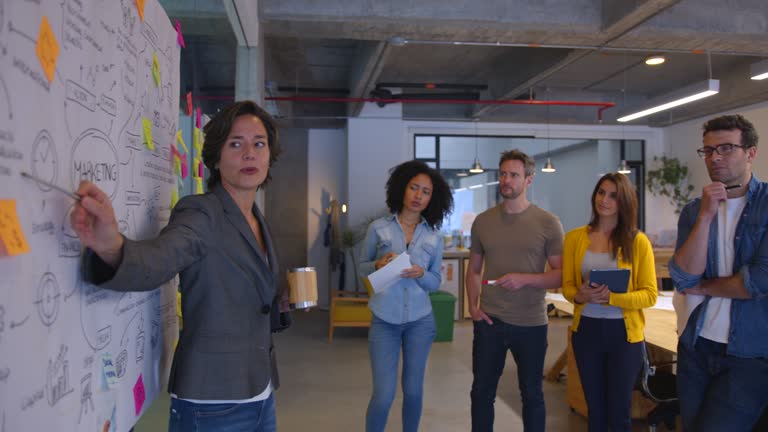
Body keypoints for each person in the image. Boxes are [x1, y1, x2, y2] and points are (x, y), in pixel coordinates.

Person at [71, 100, 284, 432]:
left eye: (259, 143)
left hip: (259, 390)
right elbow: (162, 257)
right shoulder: (201, 212)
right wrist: (112, 246)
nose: (249, 153)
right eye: (235, 143)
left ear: (270, 155)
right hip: (212, 401)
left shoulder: (257, 219)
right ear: (215, 157)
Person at [669, 114, 768, 431]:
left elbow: (758, 281)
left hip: (749, 355)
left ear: (751, 152)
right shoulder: (695, 210)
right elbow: (684, 277)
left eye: (726, 148)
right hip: (696, 347)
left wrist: (704, 287)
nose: (715, 158)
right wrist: (707, 216)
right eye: (708, 150)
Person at [466, 149, 563, 432]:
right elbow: (473, 270)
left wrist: (525, 279)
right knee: (481, 393)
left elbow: (559, 275)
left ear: (529, 180)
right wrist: (473, 307)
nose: (506, 180)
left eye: (514, 175)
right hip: (489, 321)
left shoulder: (548, 223)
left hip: (531, 323)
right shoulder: (483, 222)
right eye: (503, 174)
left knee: (532, 395)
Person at [358, 160, 453, 432]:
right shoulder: (378, 228)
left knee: (413, 391)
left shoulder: (434, 237)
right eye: (414, 188)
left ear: (432, 199)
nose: (418, 196)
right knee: (384, 394)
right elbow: (361, 269)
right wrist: (377, 265)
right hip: (384, 320)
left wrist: (421, 273)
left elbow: (435, 281)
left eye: (425, 192)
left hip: (420, 322)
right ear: (402, 188)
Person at [562, 173, 658, 432]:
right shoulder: (574, 238)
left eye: (613, 195)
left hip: (624, 337)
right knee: (595, 411)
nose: (604, 200)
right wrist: (579, 295)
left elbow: (650, 294)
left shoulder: (637, 241)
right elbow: (568, 287)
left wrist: (612, 298)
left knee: (619, 413)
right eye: (601, 192)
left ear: (624, 201)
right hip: (587, 332)